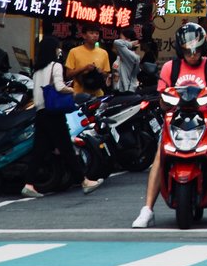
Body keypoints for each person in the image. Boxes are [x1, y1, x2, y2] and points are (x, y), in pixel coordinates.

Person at [132, 22, 207, 229]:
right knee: (160, 155)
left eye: (197, 50)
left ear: (203, 48)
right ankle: (147, 210)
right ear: (180, 49)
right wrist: (169, 100)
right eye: (188, 51)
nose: (193, 54)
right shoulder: (169, 68)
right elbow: (163, 103)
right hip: (175, 119)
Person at [21, 36, 104, 198]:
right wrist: (72, 91)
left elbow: (37, 94)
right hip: (54, 113)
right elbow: (59, 87)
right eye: (57, 47)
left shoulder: (37, 70)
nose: (59, 50)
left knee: (39, 150)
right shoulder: (56, 66)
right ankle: (84, 181)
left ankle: (29, 184)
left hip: (41, 112)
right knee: (66, 147)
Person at [64, 24, 111, 97]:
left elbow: (106, 74)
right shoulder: (74, 51)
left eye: (97, 33)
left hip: (98, 95)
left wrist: (100, 71)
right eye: (91, 33)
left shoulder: (103, 53)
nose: (95, 36)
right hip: (79, 95)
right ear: (84, 35)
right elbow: (68, 74)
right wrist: (84, 68)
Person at [112, 28, 140, 94]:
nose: (119, 39)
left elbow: (117, 42)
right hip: (119, 90)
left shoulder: (131, 56)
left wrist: (130, 44)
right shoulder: (121, 55)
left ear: (128, 40)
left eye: (121, 38)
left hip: (127, 91)